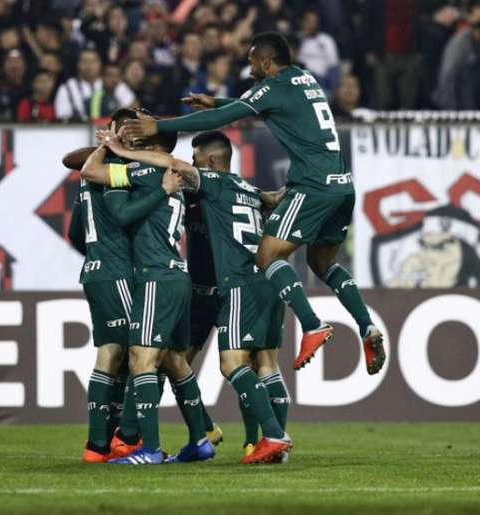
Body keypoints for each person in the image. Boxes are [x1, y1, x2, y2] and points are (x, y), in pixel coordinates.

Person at [121, 32, 386, 376]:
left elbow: (226, 119)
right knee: (324, 264)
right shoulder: (303, 79)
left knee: (266, 256)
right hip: (342, 185)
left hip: (312, 184)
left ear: (266, 61)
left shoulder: (274, 85)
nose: (249, 68)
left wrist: (159, 124)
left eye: (251, 62)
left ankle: (312, 324)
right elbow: (265, 104)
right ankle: (367, 327)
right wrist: (218, 102)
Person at [102, 130, 293, 464]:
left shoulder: (207, 185)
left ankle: (262, 439)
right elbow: (266, 196)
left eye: (195, 159)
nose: (189, 165)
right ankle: (201, 432)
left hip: (229, 288)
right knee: (176, 362)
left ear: (210, 161)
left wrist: (117, 150)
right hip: (211, 293)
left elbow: (176, 167)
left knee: (235, 362)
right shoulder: (234, 189)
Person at [79, 129, 214, 466]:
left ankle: (149, 449)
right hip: (178, 275)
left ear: (152, 146)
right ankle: (200, 439)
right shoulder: (173, 171)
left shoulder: (146, 172)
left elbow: (90, 173)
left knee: (140, 357)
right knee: (173, 360)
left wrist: (110, 146)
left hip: (155, 275)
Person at [65, 108, 178, 463]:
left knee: (112, 355)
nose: (135, 132)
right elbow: (122, 215)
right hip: (118, 272)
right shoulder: (120, 171)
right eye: (128, 127)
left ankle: (98, 444)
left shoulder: (92, 172)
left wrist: (97, 252)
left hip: (95, 270)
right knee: (144, 354)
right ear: (117, 132)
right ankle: (125, 439)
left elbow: (74, 233)